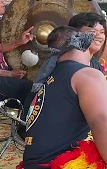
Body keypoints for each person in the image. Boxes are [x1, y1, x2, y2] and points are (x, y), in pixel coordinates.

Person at [19, 26, 107, 168]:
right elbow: (102, 123)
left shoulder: (53, 74)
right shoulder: (87, 74)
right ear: (83, 44)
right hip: (56, 164)